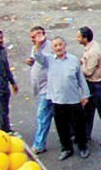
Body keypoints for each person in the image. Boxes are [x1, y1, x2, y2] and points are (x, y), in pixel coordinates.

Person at [32, 35, 90, 160]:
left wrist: (85, 94)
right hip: (57, 100)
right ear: (52, 48)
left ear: (65, 46)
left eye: (60, 45)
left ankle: (83, 147)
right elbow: (37, 56)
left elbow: (81, 79)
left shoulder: (73, 60)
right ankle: (66, 148)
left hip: (73, 99)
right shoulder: (48, 60)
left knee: (78, 125)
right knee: (61, 127)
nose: (58, 48)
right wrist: (38, 43)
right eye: (55, 46)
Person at [77, 27, 101, 144]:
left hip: (96, 84)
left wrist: (79, 67)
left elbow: (88, 72)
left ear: (85, 38)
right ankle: (85, 135)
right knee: (88, 111)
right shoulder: (90, 47)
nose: (77, 39)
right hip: (91, 84)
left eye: (79, 37)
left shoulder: (93, 52)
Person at [28, 26, 52, 154]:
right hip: (42, 87)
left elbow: (43, 60)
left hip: (48, 89)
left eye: (34, 37)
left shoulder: (48, 47)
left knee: (43, 116)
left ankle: (39, 144)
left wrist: (37, 45)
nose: (32, 40)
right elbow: (34, 58)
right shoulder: (36, 46)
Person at [0, 30, 19, 133]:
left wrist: (12, 82)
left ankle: (6, 129)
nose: (1, 40)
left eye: (1, 38)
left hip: (4, 86)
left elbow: (6, 68)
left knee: (4, 110)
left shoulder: (2, 51)